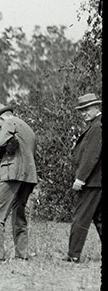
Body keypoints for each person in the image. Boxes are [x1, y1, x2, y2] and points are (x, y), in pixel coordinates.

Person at [0, 103, 38, 262]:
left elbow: (1, 142)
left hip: (12, 173)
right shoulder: (28, 128)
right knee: (19, 213)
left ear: (2, 118)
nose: (0, 128)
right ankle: (21, 255)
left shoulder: (10, 122)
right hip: (29, 175)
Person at [65, 93, 102, 263]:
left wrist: (80, 179)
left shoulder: (96, 128)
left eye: (87, 109)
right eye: (81, 110)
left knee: (80, 217)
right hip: (97, 182)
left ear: (96, 107)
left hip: (91, 182)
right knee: (100, 219)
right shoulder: (96, 125)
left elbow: (91, 156)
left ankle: (73, 254)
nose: (84, 113)